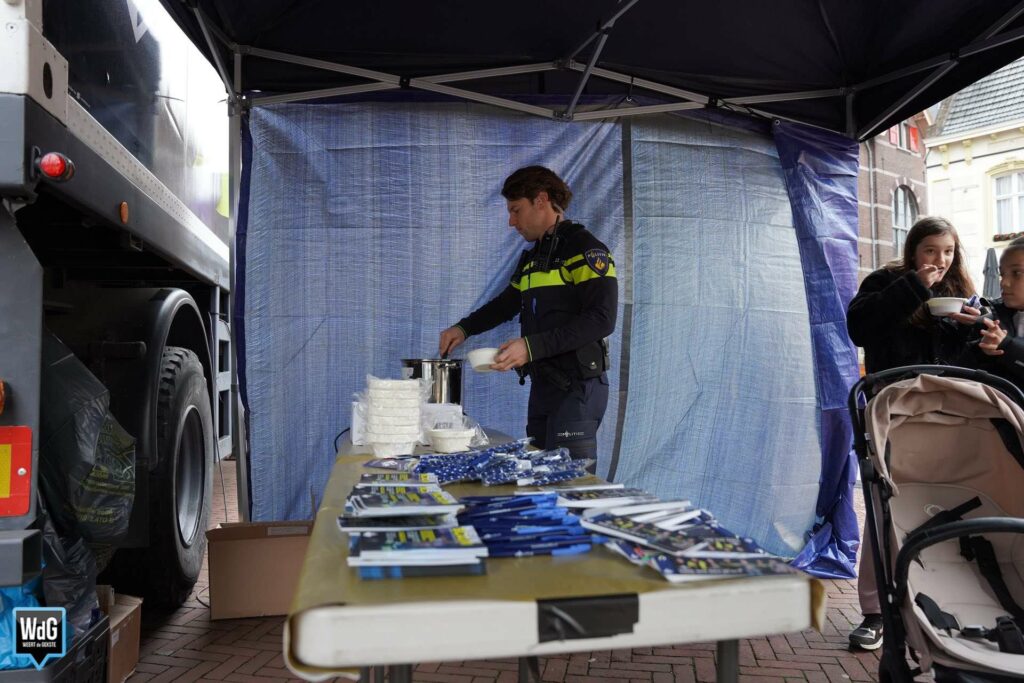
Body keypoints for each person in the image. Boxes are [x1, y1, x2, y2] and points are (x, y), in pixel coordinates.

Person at [845, 215, 979, 651]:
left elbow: (967, 359)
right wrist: (914, 287)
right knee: (885, 504)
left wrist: (975, 328)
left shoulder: (960, 289)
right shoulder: (886, 282)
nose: (940, 260)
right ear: (913, 251)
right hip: (893, 408)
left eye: (948, 251)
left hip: (947, 414)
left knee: (939, 503)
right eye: (930, 250)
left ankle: (932, 604)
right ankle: (874, 611)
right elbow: (859, 328)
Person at [438, 166, 617, 465]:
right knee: (538, 478)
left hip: (578, 388)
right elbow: (507, 303)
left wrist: (530, 347)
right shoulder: (534, 258)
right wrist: (463, 328)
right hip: (544, 385)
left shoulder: (585, 249)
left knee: (569, 483)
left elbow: (602, 319)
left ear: (541, 200)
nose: (511, 222)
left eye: (516, 210)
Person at [960, 236, 1024, 387]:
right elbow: (959, 371)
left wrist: (1007, 346)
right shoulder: (991, 315)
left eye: (1017, 273)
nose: (1004, 283)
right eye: (1002, 274)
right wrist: (981, 349)